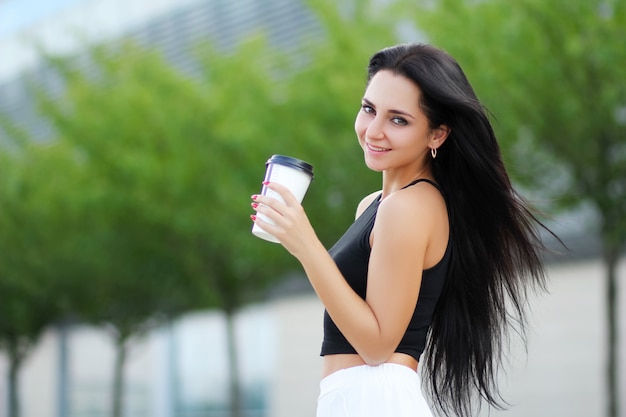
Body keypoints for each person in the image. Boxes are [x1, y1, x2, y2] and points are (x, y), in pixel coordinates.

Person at [250, 43, 552, 417]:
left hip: (373, 397)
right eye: (368, 109)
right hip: (356, 398)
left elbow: (377, 345)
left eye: (398, 120)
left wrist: (304, 243)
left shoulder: (408, 208)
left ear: (437, 135)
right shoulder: (377, 205)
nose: (373, 131)